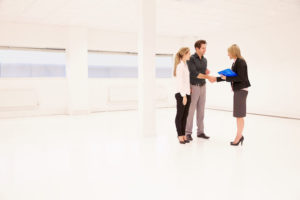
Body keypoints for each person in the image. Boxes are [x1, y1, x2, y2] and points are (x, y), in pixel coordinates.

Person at [210, 44, 251, 146]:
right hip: (238, 90)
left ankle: (239, 136)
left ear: (233, 52)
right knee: (238, 115)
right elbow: (231, 76)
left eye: (229, 52)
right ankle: (239, 136)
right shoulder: (235, 62)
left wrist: (226, 78)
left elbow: (240, 78)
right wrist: (217, 79)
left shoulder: (240, 62)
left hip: (241, 90)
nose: (228, 54)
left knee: (239, 115)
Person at [185, 40, 215, 141]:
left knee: (201, 111)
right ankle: (188, 133)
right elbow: (194, 73)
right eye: (203, 48)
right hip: (194, 86)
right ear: (197, 48)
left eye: (205, 48)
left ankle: (200, 132)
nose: (204, 50)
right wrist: (208, 76)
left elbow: (202, 72)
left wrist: (206, 72)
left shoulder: (205, 60)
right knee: (191, 111)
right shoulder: (191, 59)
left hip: (203, 86)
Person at [174, 47, 191, 144]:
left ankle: (183, 135)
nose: (190, 55)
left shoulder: (185, 65)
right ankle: (179, 135)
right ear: (184, 54)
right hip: (181, 94)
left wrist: (188, 92)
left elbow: (186, 81)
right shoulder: (180, 66)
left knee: (185, 116)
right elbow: (180, 82)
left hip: (187, 93)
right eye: (188, 53)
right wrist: (184, 96)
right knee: (180, 115)